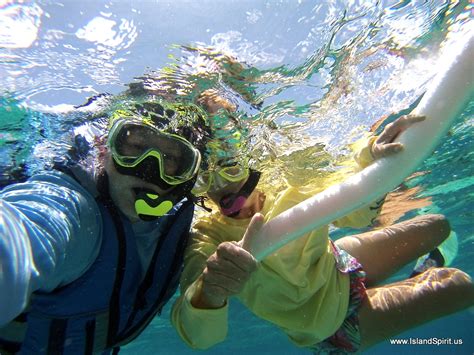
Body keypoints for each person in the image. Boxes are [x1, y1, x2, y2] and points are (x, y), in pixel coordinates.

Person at [171, 96, 474, 352]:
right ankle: (427, 270)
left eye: (228, 167)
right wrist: (210, 290)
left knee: (438, 224)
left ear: (248, 156)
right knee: (459, 285)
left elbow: (357, 210)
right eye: (202, 178)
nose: (219, 188)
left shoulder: (286, 184)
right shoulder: (208, 236)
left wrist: (372, 156)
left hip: (338, 264)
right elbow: (199, 335)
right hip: (332, 325)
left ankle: (424, 265)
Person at [0, 96, 211, 354]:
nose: (148, 169)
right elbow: (29, 228)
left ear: (188, 176)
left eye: (169, 158)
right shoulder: (74, 211)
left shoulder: (186, 231)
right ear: (104, 148)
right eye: (134, 146)